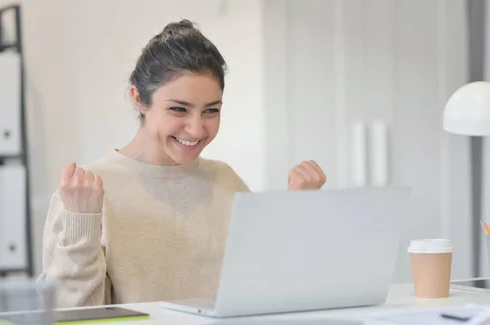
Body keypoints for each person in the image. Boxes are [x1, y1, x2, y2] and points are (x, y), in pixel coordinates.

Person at [38, 19, 327, 308]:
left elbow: (269, 292)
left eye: (211, 111)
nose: (197, 129)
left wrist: (297, 212)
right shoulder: (86, 192)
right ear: (139, 99)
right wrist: (82, 224)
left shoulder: (226, 181)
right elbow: (67, 322)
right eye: (179, 109)